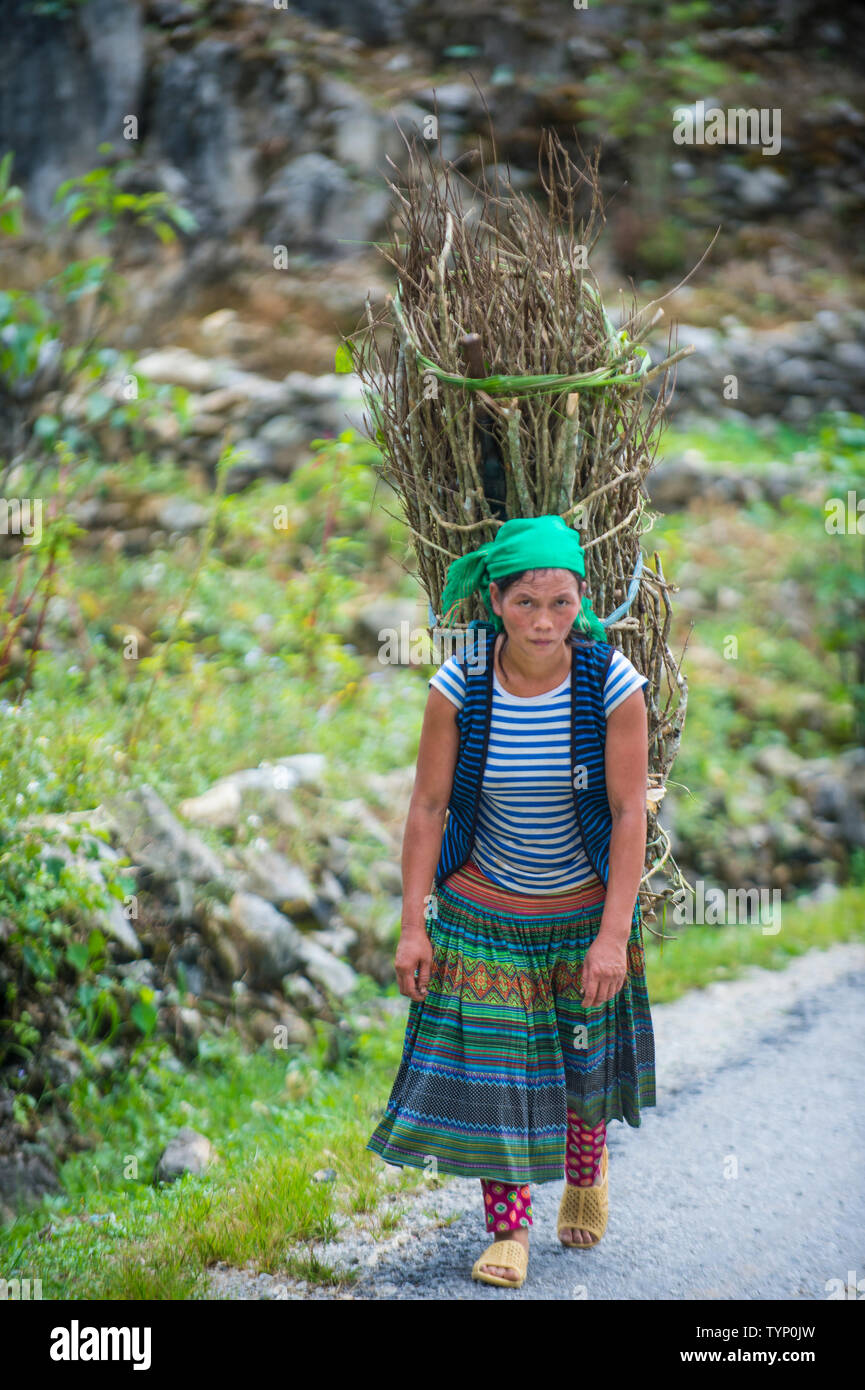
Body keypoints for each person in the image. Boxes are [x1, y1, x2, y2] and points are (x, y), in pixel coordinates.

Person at [366, 515, 656, 1288]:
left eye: (561, 604)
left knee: (580, 1067)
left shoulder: (613, 686)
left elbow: (631, 813)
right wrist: (411, 928)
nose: (543, 623)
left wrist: (611, 935)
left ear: (582, 600)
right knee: (499, 1074)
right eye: (526, 602)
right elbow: (427, 810)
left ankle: (585, 1171)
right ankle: (509, 1232)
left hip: (580, 911)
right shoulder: (459, 686)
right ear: (494, 600)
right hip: (484, 909)